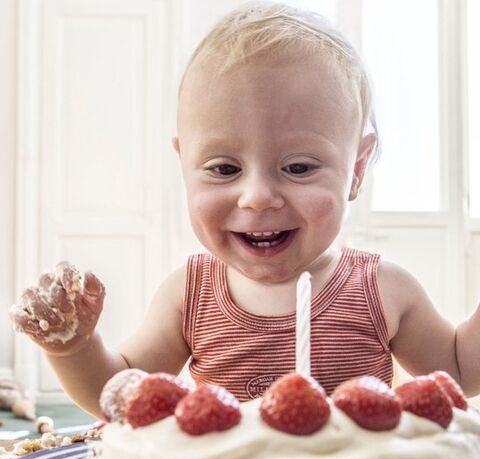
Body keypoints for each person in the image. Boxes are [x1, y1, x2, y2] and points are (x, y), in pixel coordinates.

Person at [9, 1, 480, 418]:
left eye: (297, 167)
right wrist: (75, 349)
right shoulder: (189, 295)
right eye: (223, 168)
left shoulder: (382, 289)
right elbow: (121, 392)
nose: (256, 196)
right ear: (184, 166)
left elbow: (460, 369)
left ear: (355, 170)